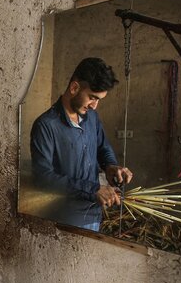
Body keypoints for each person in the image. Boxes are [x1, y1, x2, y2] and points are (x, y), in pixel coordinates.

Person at [30, 57, 133, 231]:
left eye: (99, 100)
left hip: (94, 214)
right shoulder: (46, 125)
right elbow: (42, 178)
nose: (95, 106)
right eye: (92, 98)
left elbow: (102, 146)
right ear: (74, 87)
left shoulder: (91, 117)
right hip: (64, 220)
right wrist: (92, 189)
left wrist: (111, 166)